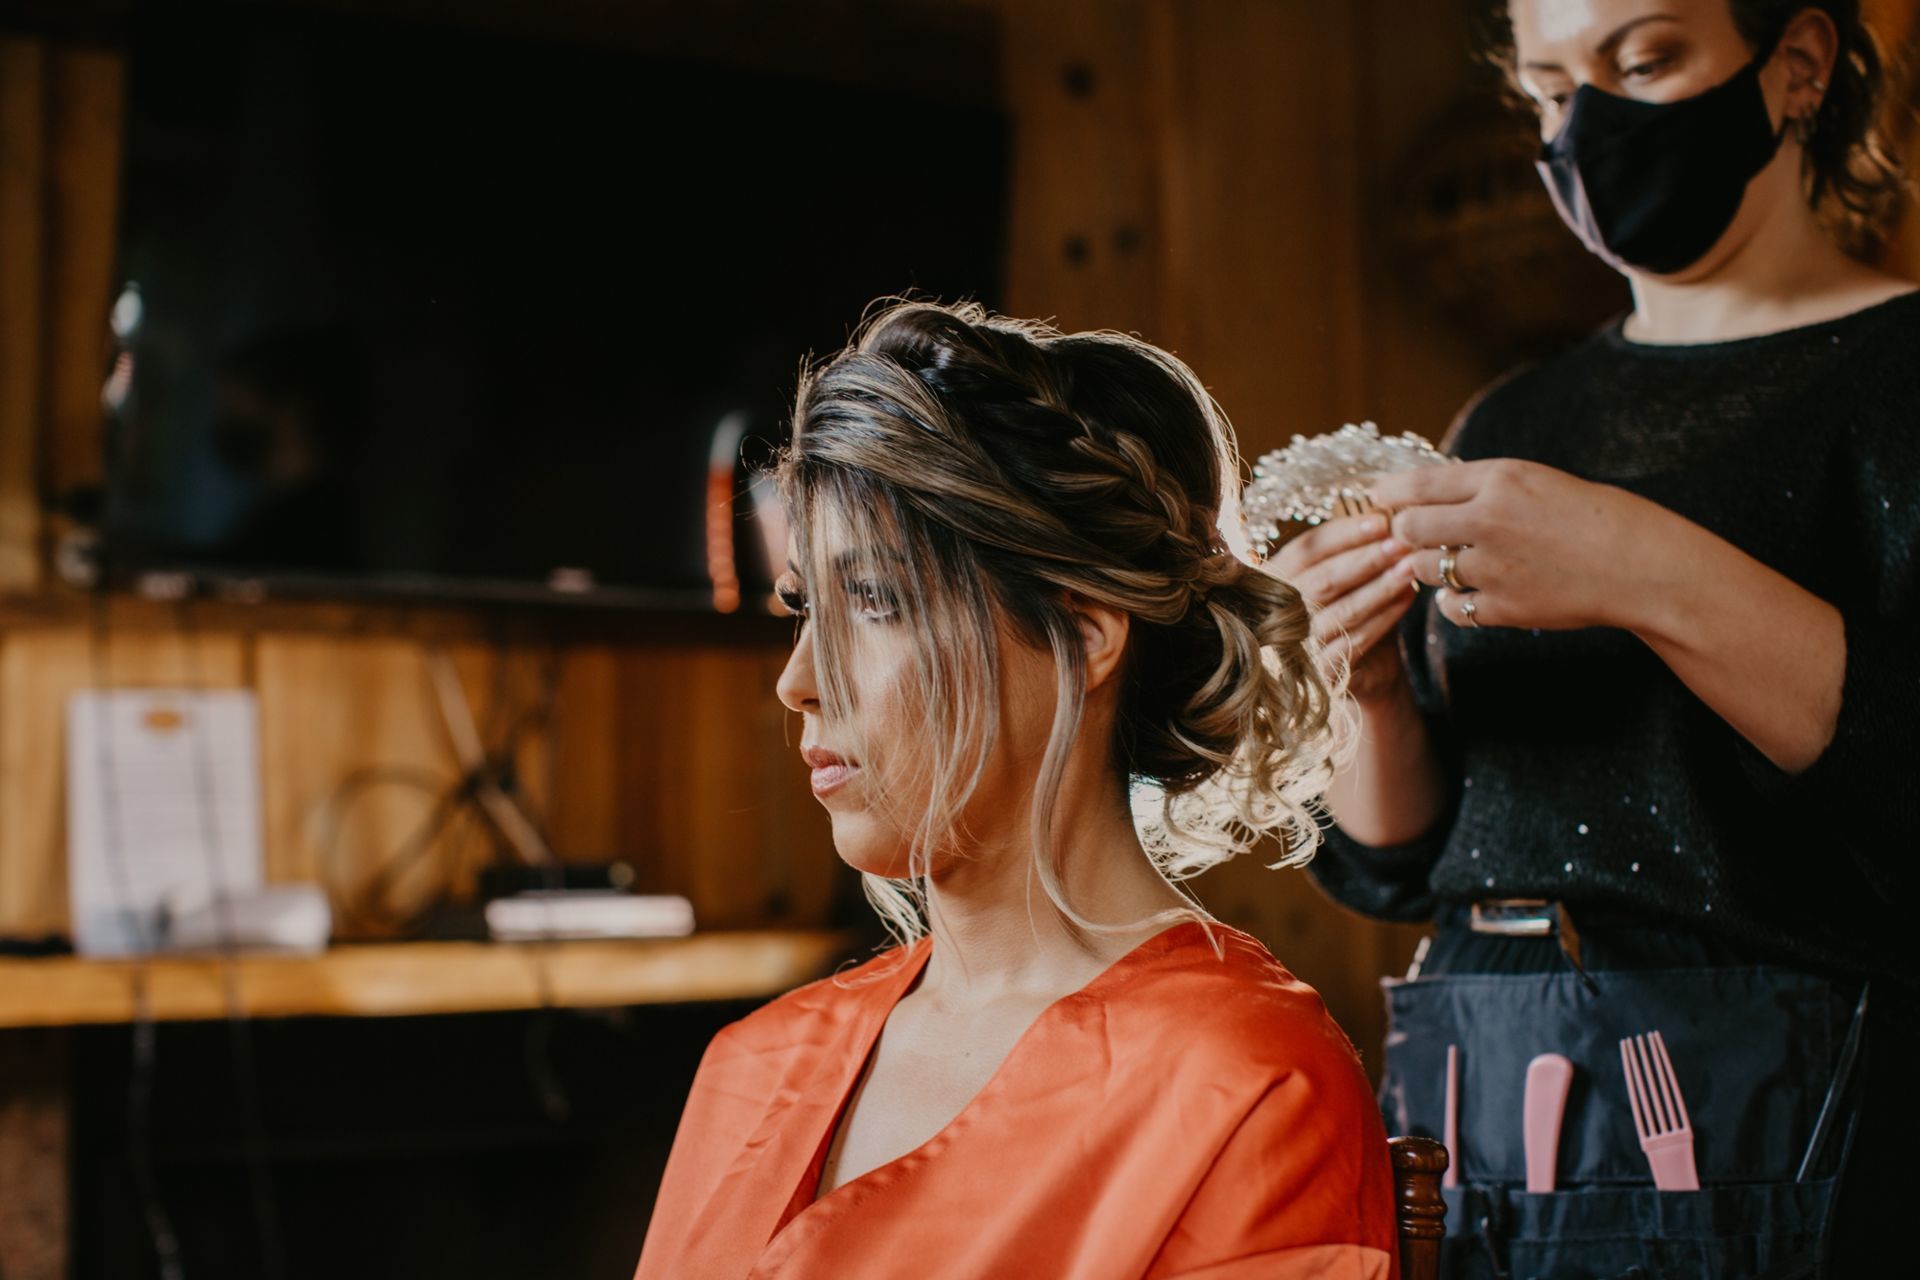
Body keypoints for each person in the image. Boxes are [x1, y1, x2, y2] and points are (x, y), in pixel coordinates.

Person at [1275, 0, 1915, 1273]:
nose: (1592, 128)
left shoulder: (1897, 378)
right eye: (1554, 89)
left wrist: (1644, 566)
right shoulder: (1513, 415)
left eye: (1647, 61)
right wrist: (1361, 689)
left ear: (1797, 65)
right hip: (1481, 1082)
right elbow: (1411, 857)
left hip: (1783, 1098)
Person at [634, 301, 1398, 1279]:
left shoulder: (1245, 1084)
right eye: (805, 607)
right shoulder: (750, 1066)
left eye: (873, 599)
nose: (798, 680)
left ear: (1084, 631)